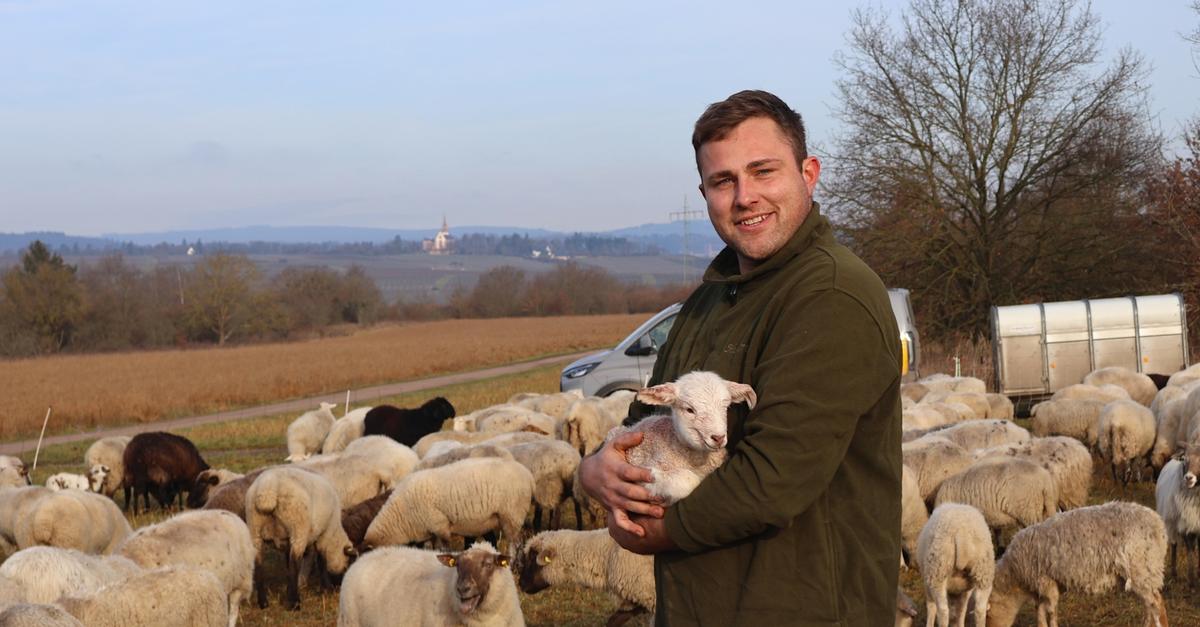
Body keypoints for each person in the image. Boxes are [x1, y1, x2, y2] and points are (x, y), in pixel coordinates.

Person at [578, 89, 902, 625]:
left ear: (809, 173)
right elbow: (646, 424)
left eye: (763, 171)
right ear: (704, 192)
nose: (744, 196)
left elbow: (772, 480)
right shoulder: (709, 300)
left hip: (799, 607)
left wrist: (648, 531)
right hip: (703, 604)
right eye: (723, 181)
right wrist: (595, 472)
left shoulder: (832, 296)